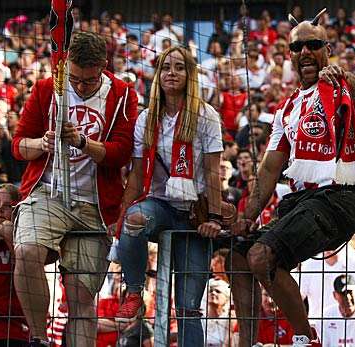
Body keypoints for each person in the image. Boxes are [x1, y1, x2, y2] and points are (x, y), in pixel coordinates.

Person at [229, 9, 355, 347]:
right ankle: (248, 342)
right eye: (297, 47)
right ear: (289, 55)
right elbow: (269, 168)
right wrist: (247, 217)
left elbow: (352, 85)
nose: (304, 52)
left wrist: (341, 76)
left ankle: (307, 339)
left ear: (327, 49)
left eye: (313, 44)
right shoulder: (286, 108)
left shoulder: (343, 86)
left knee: (263, 257)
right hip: (302, 201)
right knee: (239, 254)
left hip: (341, 198)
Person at [11, 31, 138, 347]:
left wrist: (83, 142)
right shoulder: (45, 88)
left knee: (81, 294)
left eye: (89, 81)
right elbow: (17, 145)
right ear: (66, 65)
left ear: (103, 67)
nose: (81, 87)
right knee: (26, 250)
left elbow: (121, 153)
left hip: (95, 204)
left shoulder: (122, 94)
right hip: (48, 192)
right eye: (76, 79)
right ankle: (39, 339)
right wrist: (43, 143)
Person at [113, 46, 224, 347]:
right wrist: (121, 214)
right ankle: (135, 291)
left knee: (188, 308)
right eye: (165, 68)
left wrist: (214, 217)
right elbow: (136, 175)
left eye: (179, 67)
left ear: (190, 75)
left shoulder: (206, 115)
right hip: (160, 205)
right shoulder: (146, 119)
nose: (171, 73)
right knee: (135, 220)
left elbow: (214, 172)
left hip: (194, 212)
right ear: (158, 75)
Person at [0, 184, 29, 347]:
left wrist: (8, 232)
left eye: (7, 206)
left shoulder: (25, 241)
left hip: (14, 331)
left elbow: (29, 275)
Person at [317, 275, 355, 347]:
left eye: (350, 292)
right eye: (343, 294)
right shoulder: (326, 317)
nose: (348, 297)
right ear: (335, 295)